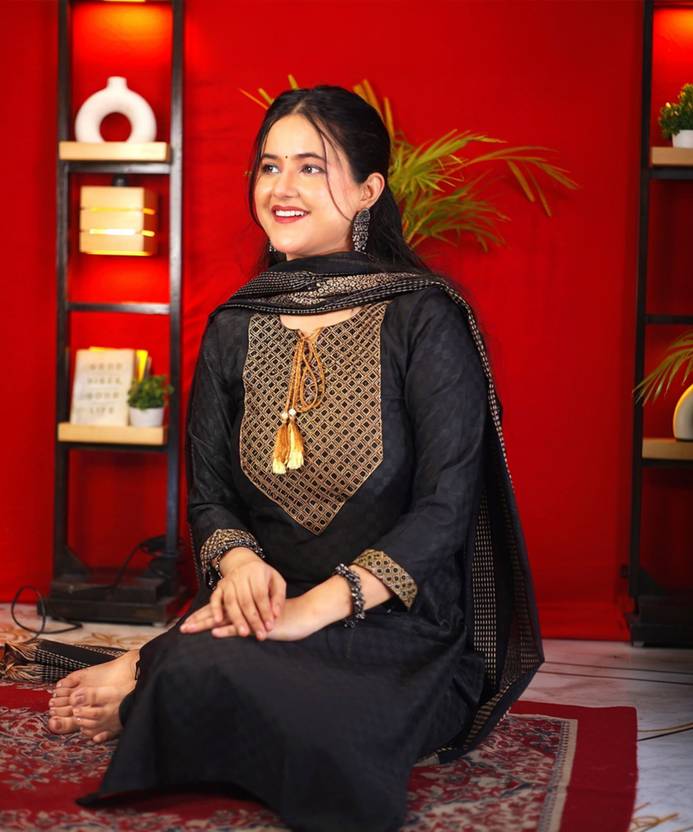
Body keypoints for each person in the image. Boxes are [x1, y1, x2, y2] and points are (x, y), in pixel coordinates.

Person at [46, 85, 543, 832]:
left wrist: (315, 610)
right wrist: (241, 565)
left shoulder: (424, 316)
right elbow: (210, 493)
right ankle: (173, 675)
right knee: (221, 660)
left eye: (311, 167)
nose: (281, 187)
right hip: (265, 612)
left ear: (369, 190)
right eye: (270, 166)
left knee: (327, 725)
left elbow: (445, 509)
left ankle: (157, 683)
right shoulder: (235, 325)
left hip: (397, 629)